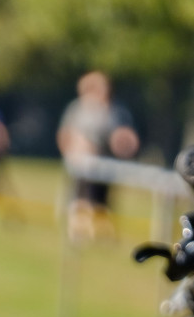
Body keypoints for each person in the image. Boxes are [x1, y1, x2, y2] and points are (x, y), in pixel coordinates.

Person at [56, 71, 139, 242]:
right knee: (81, 199)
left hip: (106, 163)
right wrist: (71, 153)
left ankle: (100, 234)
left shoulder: (116, 110)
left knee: (102, 200)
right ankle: (79, 233)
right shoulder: (79, 108)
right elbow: (65, 133)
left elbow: (123, 135)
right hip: (82, 163)